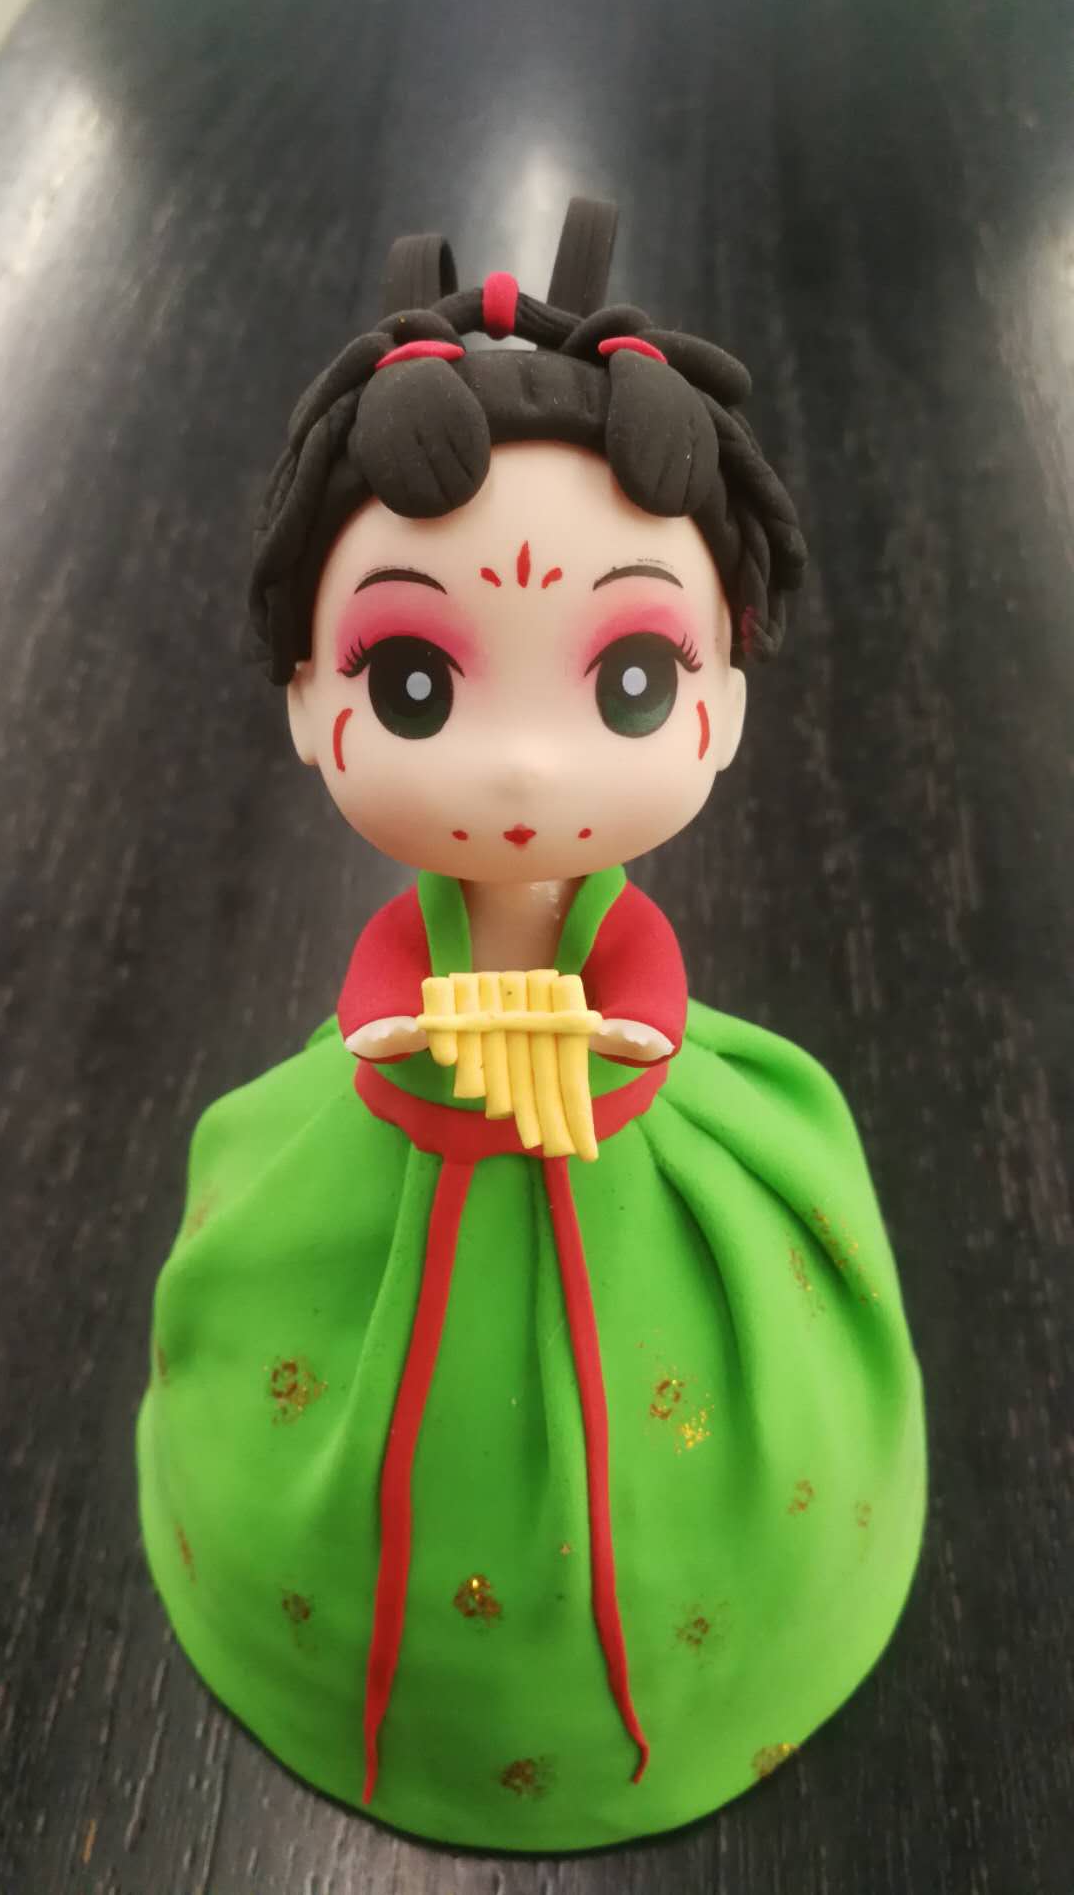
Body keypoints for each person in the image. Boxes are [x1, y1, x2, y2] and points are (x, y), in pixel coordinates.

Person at [137, 199, 926, 1851]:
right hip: (403, 1103)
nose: (520, 768)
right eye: (414, 684)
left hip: (636, 1108)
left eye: (628, 680)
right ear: (310, 698)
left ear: (722, 702)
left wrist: (614, 1050)